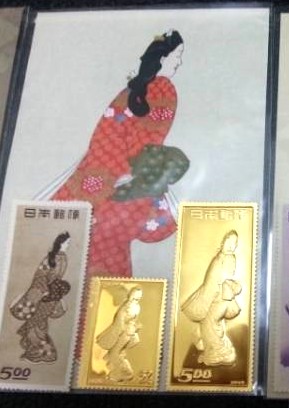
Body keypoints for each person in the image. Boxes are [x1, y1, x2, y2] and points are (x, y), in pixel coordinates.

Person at [40, 30, 189, 277]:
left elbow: (110, 134)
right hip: (125, 171)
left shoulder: (133, 89)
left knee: (91, 232)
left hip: (103, 166)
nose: (179, 62)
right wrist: (131, 173)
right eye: (177, 55)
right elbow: (149, 137)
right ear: (162, 58)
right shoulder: (162, 88)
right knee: (111, 237)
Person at [181, 230, 242, 366]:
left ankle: (218, 353)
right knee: (209, 323)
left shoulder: (229, 259)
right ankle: (210, 347)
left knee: (210, 323)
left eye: (235, 243)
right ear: (223, 241)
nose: (231, 246)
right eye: (229, 241)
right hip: (212, 296)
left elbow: (223, 280)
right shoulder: (219, 258)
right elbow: (210, 281)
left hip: (221, 297)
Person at [10, 232, 71, 363]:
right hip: (43, 295)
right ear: (60, 243)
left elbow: (57, 278)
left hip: (52, 296)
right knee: (37, 324)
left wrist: (56, 291)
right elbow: (40, 275)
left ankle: (40, 352)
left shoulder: (63, 258)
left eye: (68, 243)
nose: (68, 245)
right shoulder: (50, 258)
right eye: (66, 243)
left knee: (38, 324)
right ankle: (38, 351)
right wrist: (43, 291)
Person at [96, 286, 143, 382]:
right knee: (117, 353)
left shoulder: (133, 307)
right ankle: (121, 373)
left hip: (127, 333)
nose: (137, 298)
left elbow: (128, 322)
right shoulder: (127, 308)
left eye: (139, 296)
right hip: (125, 333)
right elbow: (120, 323)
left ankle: (125, 373)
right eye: (135, 296)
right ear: (131, 295)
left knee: (116, 353)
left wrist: (133, 327)